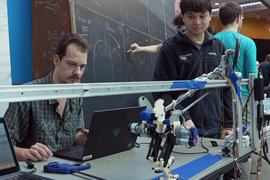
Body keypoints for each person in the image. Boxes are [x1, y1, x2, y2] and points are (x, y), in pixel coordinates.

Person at [153, 0, 233, 140]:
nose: (197, 22)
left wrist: (229, 124)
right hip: (183, 130)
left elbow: (227, 87)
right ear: (182, 17)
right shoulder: (170, 48)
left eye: (202, 16)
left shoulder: (218, 46)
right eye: (191, 17)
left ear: (209, 16)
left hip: (214, 129)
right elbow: (161, 92)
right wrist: (183, 116)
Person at [4, 33, 91, 162]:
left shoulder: (76, 94)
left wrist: (83, 139)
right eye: (72, 64)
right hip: (36, 172)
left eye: (82, 66)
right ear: (56, 60)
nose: (78, 72)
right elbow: (3, 146)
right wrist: (26, 153)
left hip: (66, 169)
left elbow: (73, 135)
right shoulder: (27, 96)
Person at [214, 2, 257, 180]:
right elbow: (252, 79)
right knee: (242, 147)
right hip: (242, 101)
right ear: (239, 18)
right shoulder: (247, 42)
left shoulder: (212, 41)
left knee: (216, 146)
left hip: (216, 103)